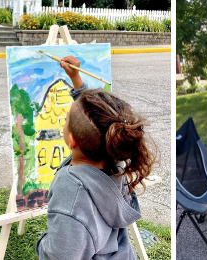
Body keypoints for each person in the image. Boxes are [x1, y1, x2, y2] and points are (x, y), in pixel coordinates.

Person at [35, 55, 153, 260]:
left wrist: (42, 244)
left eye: (66, 120)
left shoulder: (70, 192)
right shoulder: (115, 158)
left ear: (71, 140)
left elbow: (60, 255)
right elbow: (96, 119)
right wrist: (76, 80)